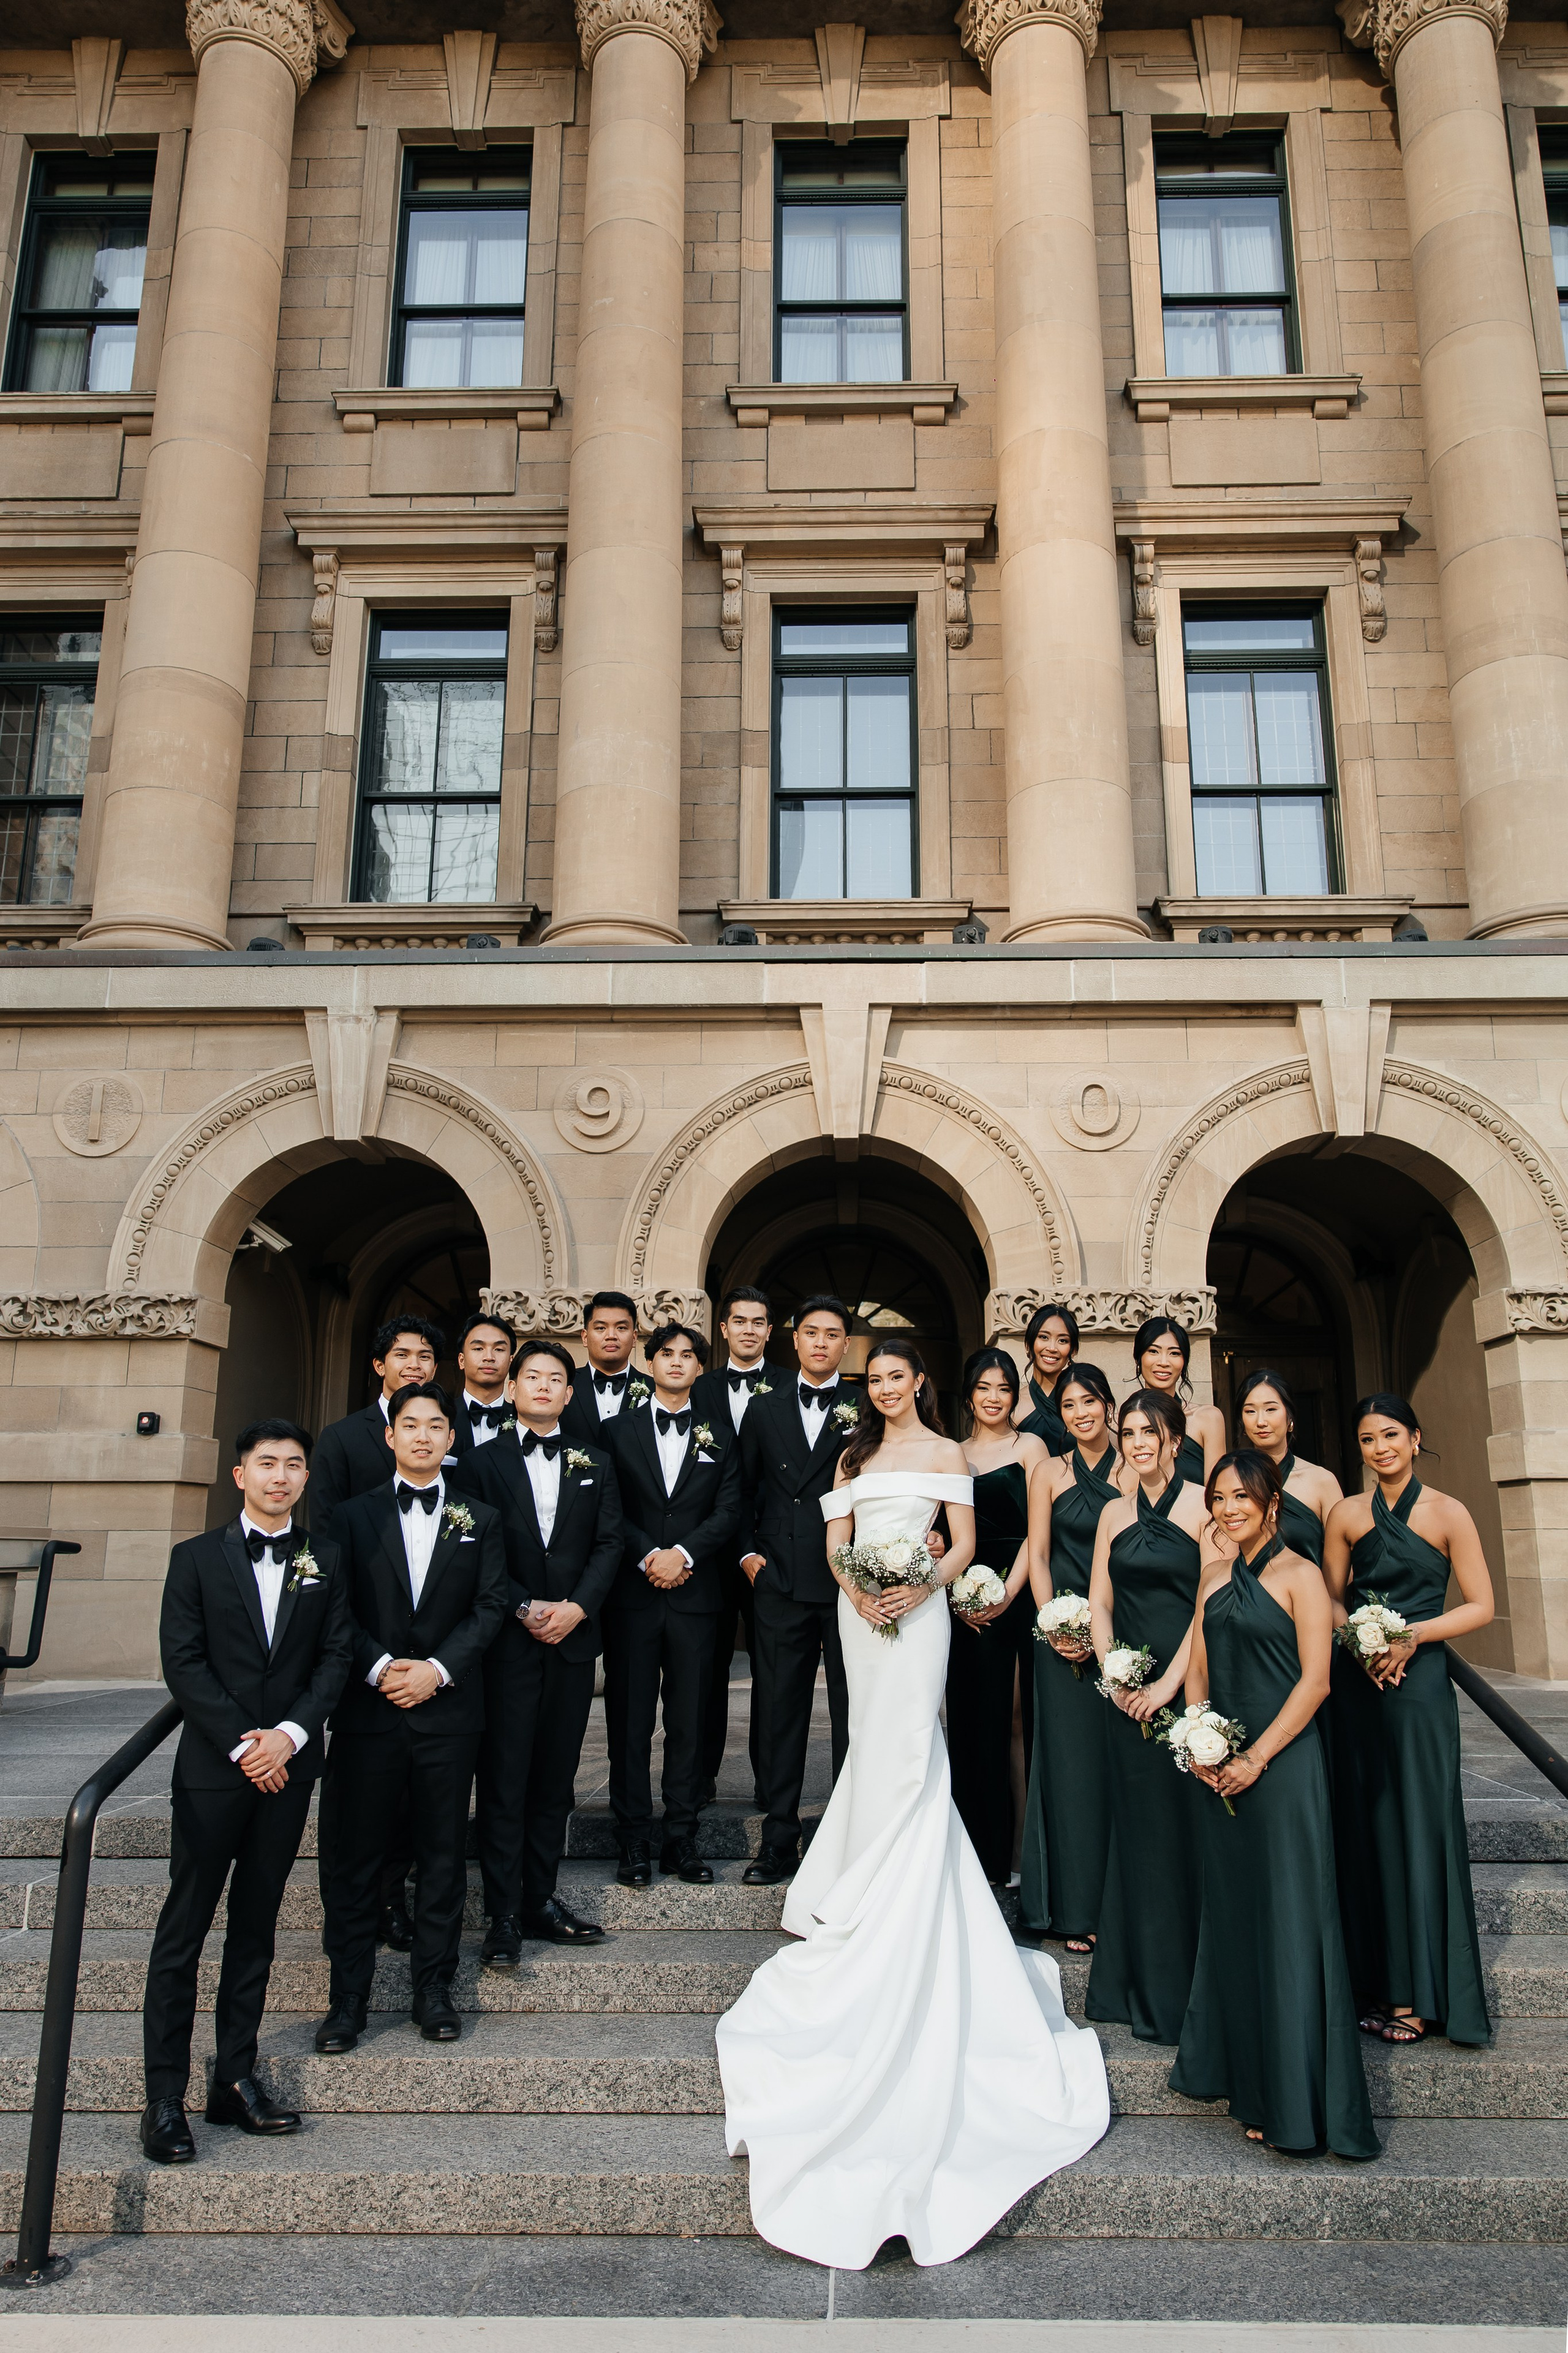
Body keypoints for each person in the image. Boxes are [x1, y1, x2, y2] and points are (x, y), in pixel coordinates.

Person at [717, 1337, 1109, 2269]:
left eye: (899, 1376)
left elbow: (964, 1543)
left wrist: (917, 1587)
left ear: (920, 1383)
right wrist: (862, 1590)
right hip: (862, 1615)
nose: (887, 1388)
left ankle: (911, 1881)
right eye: (877, 1379)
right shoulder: (852, 1455)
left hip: (924, 1615)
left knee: (912, 1747)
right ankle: (861, 1877)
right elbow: (834, 1539)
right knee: (871, 1744)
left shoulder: (945, 1453)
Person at [141, 1421, 352, 2164]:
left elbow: (336, 1657)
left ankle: (234, 2076)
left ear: (305, 1478)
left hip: (287, 1770)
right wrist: (244, 1744)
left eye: (293, 1465)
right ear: (241, 1475)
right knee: (183, 1932)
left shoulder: (327, 1558)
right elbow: (184, 1661)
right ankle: (163, 2097)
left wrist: (288, 1737)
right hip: (214, 1770)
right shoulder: (195, 1558)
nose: (280, 1476)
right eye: (267, 1464)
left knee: (256, 1926)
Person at [1171, 1451, 1378, 2160]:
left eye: (1242, 1496)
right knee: (1238, 1922)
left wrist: (1256, 1757)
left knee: (1289, 1923)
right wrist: (1199, 1740)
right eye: (1219, 1497)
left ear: (1271, 1503)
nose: (1228, 1508)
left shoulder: (1301, 1575)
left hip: (1282, 1767)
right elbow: (1197, 1668)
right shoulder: (1210, 1575)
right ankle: (1250, 2084)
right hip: (1220, 1768)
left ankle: (1296, 2100)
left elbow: (1316, 1681)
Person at [315, 1381, 508, 2052]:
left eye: (435, 1426)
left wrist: (437, 1670)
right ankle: (348, 2000)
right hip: (369, 1712)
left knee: (442, 1857)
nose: (423, 1435)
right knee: (356, 1861)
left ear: (452, 1439)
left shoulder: (481, 1518)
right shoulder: (349, 1516)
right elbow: (334, 1608)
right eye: (410, 1424)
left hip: (448, 1715)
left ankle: (434, 1989)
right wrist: (380, 1668)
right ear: (390, 1435)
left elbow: (490, 1606)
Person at [1324, 1394, 1494, 2049]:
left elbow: (1480, 1605)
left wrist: (1410, 1635)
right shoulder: (1345, 1514)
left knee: (1421, 1829)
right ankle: (1377, 1982)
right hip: (1360, 1682)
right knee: (1367, 1829)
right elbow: (1330, 1597)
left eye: (1391, 1435)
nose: (1381, 1448)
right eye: (1368, 1439)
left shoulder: (1449, 1511)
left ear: (1416, 1438)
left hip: (1418, 1684)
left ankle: (1423, 1996)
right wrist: (1361, 1641)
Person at [451, 1339, 624, 1960]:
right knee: (504, 1777)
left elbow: (609, 1544)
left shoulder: (595, 1462)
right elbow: (474, 1550)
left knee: (555, 1779)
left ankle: (540, 1899)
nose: (544, 1386)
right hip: (508, 1644)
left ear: (569, 1394)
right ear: (513, 1388)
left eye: (556, 1378)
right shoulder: (480, 1462)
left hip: (572, 1643)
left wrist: (577, 1608)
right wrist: (522, 1606)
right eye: (533, 1377)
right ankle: (502, 1912)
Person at [309, 1315, 450, 1958]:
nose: (414, 1364)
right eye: (402, 1354)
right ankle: (350, 1912)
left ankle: (397, 1901)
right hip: (362, 1648)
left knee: (414, 1800)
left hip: (432, 1656)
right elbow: (323, 1546)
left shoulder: (447, 1433)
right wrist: (372, 1657)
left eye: (424, 1355)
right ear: (379, 1364)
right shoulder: (342, 1439)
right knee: (354, 1800)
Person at [1085, 1388, 1215, 2045]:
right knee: (1138, 1833)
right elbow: (1099, 1602)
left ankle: (1189, 1989)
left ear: (1174, 1440)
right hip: (1126, 1694)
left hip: (1187, 1686)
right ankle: (1133, 1983)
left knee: (1184, 1831)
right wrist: (1115, 1673)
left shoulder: (1204, 1508)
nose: (1137, 1443)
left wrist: (1168, 1686)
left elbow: (1208, 1605)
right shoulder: (1113, 1511)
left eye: (1149, 1432)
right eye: (1129, 1432)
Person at [603, 1323, 744, 1886]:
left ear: (699, 1367)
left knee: (690, 1722)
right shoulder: (616, 1430)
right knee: (630, 1722)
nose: (678, 1362)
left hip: (697, 1595)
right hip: (633, 1598)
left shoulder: (721, 1434)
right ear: (651, 1361)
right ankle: (633, 1840)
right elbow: (610, 1508)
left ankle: (681, 1837)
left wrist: (683, 1554)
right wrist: (649, 1556)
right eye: (668, 1353)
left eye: (689, 1355)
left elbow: (730, 1508)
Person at [736, 1295, 861, 1886]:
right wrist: (748, 1553)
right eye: (811, 1332)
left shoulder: (867, 1405)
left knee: (851, 1710)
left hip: (850, 1580)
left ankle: (847, 1836)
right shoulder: (763, 1406)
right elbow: (741, 1486)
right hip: (780, 1579)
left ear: (845, 1344)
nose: (820, 1342)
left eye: (832, 1334)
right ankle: (778, 1838)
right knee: (781, 1711)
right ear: (795, 1340)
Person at [1020, 1363, 1120, 1952]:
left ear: (1109, 1404)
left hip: (1123, 1636)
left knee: (1119, 1768)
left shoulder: (1134, 1467)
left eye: (1090, 1401)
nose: (1081, 1413)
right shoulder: (1048, 1472)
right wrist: (1053, 1621)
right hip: (1060, 1639)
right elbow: (1038, 1554)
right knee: (1070, 1769)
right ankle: (1073, 1906)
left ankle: (1122, 1906)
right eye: (1069, 1405)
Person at [948, 1346, 1050, 1887]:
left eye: (1004, 1388)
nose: (994, 1397)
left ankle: (1020, 1853)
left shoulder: (1029, 1446)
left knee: (1015, 1720)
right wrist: (957, 1597)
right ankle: (977, 1855)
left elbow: (1039, 1529)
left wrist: (1008, 1594)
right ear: (969, 1395)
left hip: (1017, 1590)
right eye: (984, 1387)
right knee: (971, 1722)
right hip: (965, 1600)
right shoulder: (952, 1452)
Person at [692, 1284, 775, 1807]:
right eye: (739, 1321)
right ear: (723, 1329)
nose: (748, 1329)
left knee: (772, 1671)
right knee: (707, 1668)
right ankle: (700, 1779)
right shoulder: (697, 1389)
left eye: (758, 1321)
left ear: (770, 1330)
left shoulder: (789, 1385)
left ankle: (771, 1782)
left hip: (771, 1550)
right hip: (709, 1552)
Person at [1233, 1367, 1343, 1568]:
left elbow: (1341, 1563)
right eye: (1250, 1411)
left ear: (1289, 1417)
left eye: (1271, 1409)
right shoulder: (1230, 1479)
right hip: (1245, 1587)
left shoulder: (1321, 1481)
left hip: (1311, 1588)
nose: (1260, 1421)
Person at [1129, 1316, 1224, 1489]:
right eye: (1154, 1351)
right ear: (1138, 1358)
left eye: (1174, 1353)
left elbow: (1217, 1492)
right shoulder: (1122, 1422)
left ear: (1184, 1361)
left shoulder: (1208, 1418)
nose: (1164, 1362)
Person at [561, 1291, 648, 1441]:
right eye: (601, 1328)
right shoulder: (563, 1385)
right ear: (585, 1337)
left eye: (621, 1328)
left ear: (634, 1338)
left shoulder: (655, 1390)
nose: (611, 1336)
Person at [1014, 1302, 1080, 1455]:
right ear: (1028, 1345)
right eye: (1044, 1337)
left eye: (1063, 1340)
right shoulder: (1012, 1405)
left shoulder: (1084, 1403)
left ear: (1073, 1350)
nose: (1052, 1348)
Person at [452, 1310, 518, 1452]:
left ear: (511, 1361)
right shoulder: (442, 1414)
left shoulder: (523, 1419)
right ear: (462, 1360)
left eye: (499, 1349)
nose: (489, 1357)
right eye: (478, 1348)